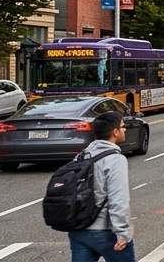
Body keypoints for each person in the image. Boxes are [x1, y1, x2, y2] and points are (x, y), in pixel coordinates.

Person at [66, 111, 134, 262]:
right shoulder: (115, 160)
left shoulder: (82, 156)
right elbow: (118, 198)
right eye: (123, 127)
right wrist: (122, 232)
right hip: (105, 231)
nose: (125, 130)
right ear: (114, 132)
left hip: (79, 230)